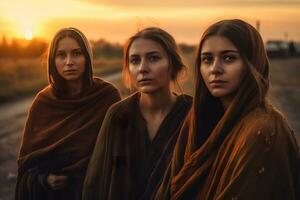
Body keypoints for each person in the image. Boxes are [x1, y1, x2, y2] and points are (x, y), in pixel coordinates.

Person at [155, 19, 300, 199]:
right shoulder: (198, 119)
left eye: (229, 58)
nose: (215, 69)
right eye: (207, 59)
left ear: (253, 63)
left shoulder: (264, 132)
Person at [82, 27, 192, 200]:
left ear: (173, 64)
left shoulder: (191, 114)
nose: (142, 68)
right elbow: (95, 183)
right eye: (134, 61)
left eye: (153, 58)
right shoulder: (118, 115)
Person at [15, 27, 121, 200]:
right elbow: (27, 164)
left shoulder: (107, 96)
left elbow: (121, 154)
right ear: (52, 61)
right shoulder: (43, 103)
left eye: (77, 53)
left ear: (87, 57)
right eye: (61, 55)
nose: (69, 61)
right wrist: (44, 179)